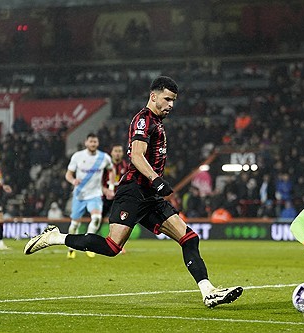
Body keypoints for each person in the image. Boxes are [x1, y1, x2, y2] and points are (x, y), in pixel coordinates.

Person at [24, 76, 243, 308]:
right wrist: (156, 180)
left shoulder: (157, 122)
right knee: (112, 247)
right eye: (167, 99)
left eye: (173, 100)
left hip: (150, 196)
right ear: (153, 96)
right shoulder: (143, 120)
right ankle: (56, 237)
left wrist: (155, 185)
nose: (171, 105)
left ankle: (208, 292)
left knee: (189, 238)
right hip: (134, 191)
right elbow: (136, 156)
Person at [64, 133, 115, 259]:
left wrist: (111, 187)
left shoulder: (104, 157)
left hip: (95, 195)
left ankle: (89, 245)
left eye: (95, 142)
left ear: (98, 143)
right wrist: (73, 181)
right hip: (79, 195)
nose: (93, 144)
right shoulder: (78, 156)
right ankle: (71, 249)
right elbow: (68, 175)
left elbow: (112, 170)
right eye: (91, 141)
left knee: (97, 218)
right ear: (86, 143)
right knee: (74, 224)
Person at [101, 144, 128, 224]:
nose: (117, 153)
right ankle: (93, 234)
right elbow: (98, 180)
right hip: (105, 197)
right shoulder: (105, 166)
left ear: (122, 153)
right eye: (115, 151)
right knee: (98, 218)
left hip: (119, 198)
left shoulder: (126, 166)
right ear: (111, 153)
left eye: (119, 151)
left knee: (118, 219)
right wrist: (104, 190)